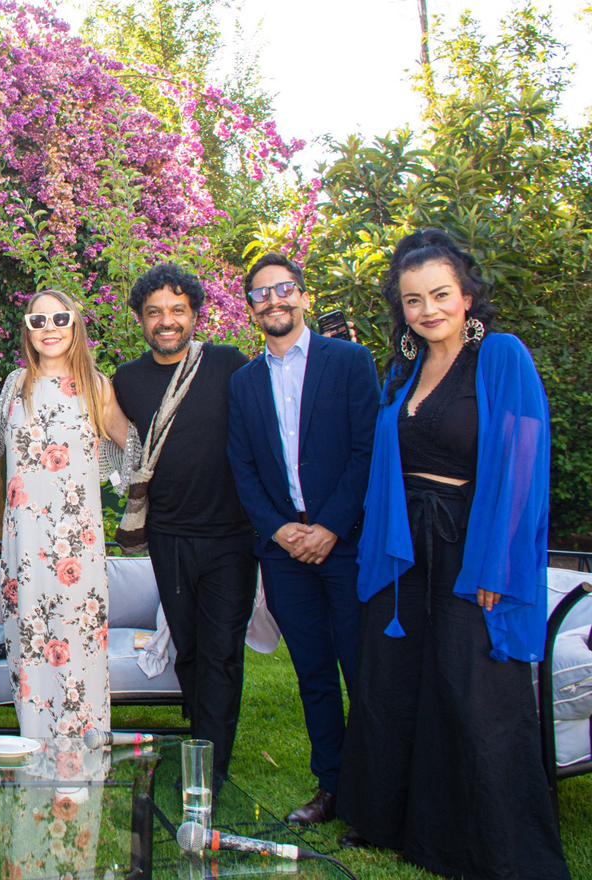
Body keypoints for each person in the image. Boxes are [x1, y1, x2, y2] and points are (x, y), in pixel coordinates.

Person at [338, 229, 570, 879]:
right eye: (413, 301)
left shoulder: (500, 357)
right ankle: (398, 827)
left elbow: (522, 465)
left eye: (440, 295)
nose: (428, 310)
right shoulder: (405, 369)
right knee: (398, 685)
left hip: (471, 542)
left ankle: (504, 850)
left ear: (467, 297)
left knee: (477, 694)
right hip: (404, 547)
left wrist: (497, 565)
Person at [226, 253, 379, 824]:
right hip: (284, 553)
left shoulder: (350, 363)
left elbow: (368, 451)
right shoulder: (244, 382)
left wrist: (331, 527)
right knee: (313, 673)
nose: (274, 301)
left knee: (361, 668)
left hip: (347, 546)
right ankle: (332, 786)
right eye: (261, 294)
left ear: (304, 297)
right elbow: (241, 466)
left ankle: (377, 788)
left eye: (284, 289)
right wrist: (282, 530)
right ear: (251, 310)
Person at [111, 264, 256, 782]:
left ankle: (212, 767)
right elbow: (115, 446)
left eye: (177, 311)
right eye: (154, 313)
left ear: (195, 314)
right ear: (140, 320)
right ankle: (201, 736)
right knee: (189, 648)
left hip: (231, 537)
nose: (166, 321)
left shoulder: (227, 364)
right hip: (169, 537)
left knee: (221, 650)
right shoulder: (125, 380)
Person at [0, 289, 131, 741]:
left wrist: (137, 496)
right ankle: (34, 750)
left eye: (58, 319)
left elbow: (133, 451)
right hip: (25, 545)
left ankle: (83, 757)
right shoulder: (15, 385)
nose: (49, 329)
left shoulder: (96, 385)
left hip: (78, 546)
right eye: (38, 322)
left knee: (78, 645)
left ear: (75, 325)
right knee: (31, 643)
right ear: (27, 332)